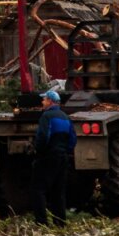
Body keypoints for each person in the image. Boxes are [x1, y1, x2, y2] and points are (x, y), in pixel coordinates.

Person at [32, 90, 76, 225]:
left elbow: (43, 137)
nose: (42, 102)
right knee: (59, 191)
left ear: (50, 101)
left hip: (47, 157)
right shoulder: (65, 117)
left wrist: (38, 151)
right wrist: (66, 152)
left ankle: (41, 222)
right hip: (62, 158)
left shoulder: (47, 116)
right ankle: (60, 222)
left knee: (38, 189)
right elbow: (72, 139)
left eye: (44, 99)